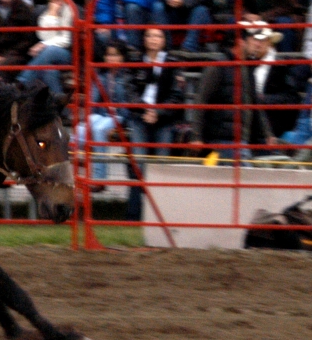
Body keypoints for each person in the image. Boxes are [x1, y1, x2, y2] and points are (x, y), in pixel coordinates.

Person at [190, 22, 281, 157]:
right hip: (221, 141)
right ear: (241, 42)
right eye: (253, 39)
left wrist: (267, 134)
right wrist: (196, 137)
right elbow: (201, 101)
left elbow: (255, 104)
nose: (256, 44)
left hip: (239, 141)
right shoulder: (218, 67)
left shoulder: (247, 69)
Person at [123, 27, 185, 220]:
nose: (153, 39)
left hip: (163, 119)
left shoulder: (173, 64)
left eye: (157, 35)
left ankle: (160, 213)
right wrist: (145, 110)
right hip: (141, 117)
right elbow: (130, 91)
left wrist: (157, 112)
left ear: (164, 40)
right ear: (144, 39)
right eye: (149, 35)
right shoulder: (136, 61)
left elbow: (177, 96)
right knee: (138, 165)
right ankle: (135, 213)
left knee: (161, 165)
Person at [79, 40, 131, 183]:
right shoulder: (101, 76)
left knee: (98, 128)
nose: (111, 59)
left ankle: (99, 177)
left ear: (122, 58)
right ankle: (81, 169)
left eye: (115, 55)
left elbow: (128, 105)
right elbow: (92, 103)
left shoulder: (127, 76)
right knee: (77, 133)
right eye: (109, 55)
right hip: (101, 116)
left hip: (120, 117)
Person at [17, 0, 75, 96]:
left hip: (68, 53)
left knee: (50, 50)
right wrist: (52, 14)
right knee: (49, 71)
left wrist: (44, 44)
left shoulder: (73, 10)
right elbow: (43, 35)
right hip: (45, 55)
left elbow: (66, 40)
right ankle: (61, 109)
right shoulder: (41, 11)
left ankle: (22, 82)